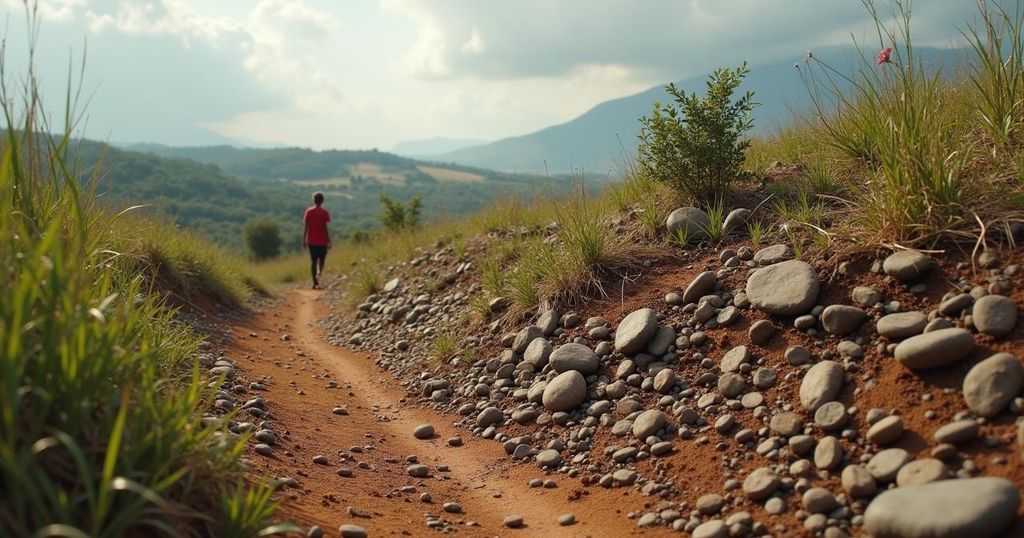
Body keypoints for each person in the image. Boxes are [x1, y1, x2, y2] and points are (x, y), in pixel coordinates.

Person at [302, 191, 331, 289]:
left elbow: (306, 226)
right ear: (322, 201)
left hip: (311, 241)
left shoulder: (308, 211)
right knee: (322, 260)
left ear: (314, 200)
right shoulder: (324, 212)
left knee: (313, 261)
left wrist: (303, 239)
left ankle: (314, 282)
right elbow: (325, 228)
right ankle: (319, 274)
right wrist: (329, 240)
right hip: (322, 241)